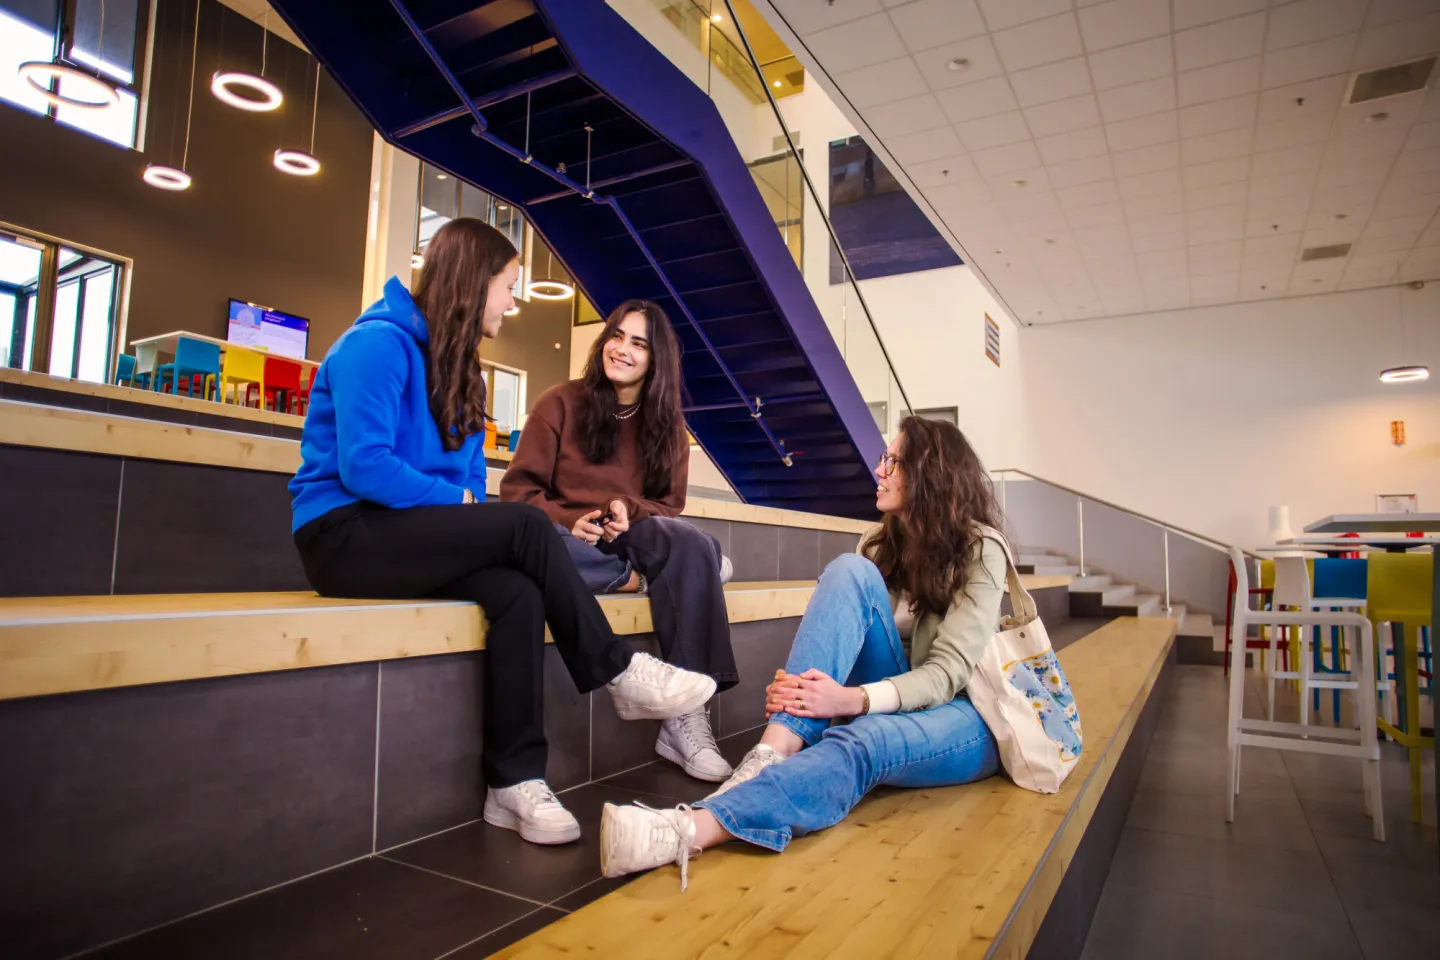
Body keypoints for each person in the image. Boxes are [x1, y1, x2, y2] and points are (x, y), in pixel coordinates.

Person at [288, 219, 716, 847]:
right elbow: (365, 465)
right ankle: (618, 671)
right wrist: (457, 502)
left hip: (408, 534)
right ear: (473, 283)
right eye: (509, 287)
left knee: (519, 591)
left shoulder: (464, 369)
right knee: (522, 524)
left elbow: (466, 480)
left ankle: (513, 783)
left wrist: (459, 503)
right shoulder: (375, 344)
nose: (514, 302)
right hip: (341, 536)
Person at [597, 416, 1006, 887]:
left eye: (893, 461)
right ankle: (772, 751)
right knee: (849, 570)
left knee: (863, 741)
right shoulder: (877, 544)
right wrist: (805, 693)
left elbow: (944, 675)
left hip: (959, 716)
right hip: (889, 693)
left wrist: (849, 701)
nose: (880, 470)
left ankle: (684, 830)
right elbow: (854, 646)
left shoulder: (981, 549)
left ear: (931, 473)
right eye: (884, 460)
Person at [501, 300, 738, 783]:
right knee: (530, 545)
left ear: (657, 360)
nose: (621, 349)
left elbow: (669, 505)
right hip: (565, 541)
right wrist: (569, 521)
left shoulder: (667, 422)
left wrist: (629, 510)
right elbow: (517, 494)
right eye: (616, 336)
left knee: (686, 541)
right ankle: (643, 579)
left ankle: (686, 716)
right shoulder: (558, 403)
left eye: (638, 343)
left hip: (628, 534)